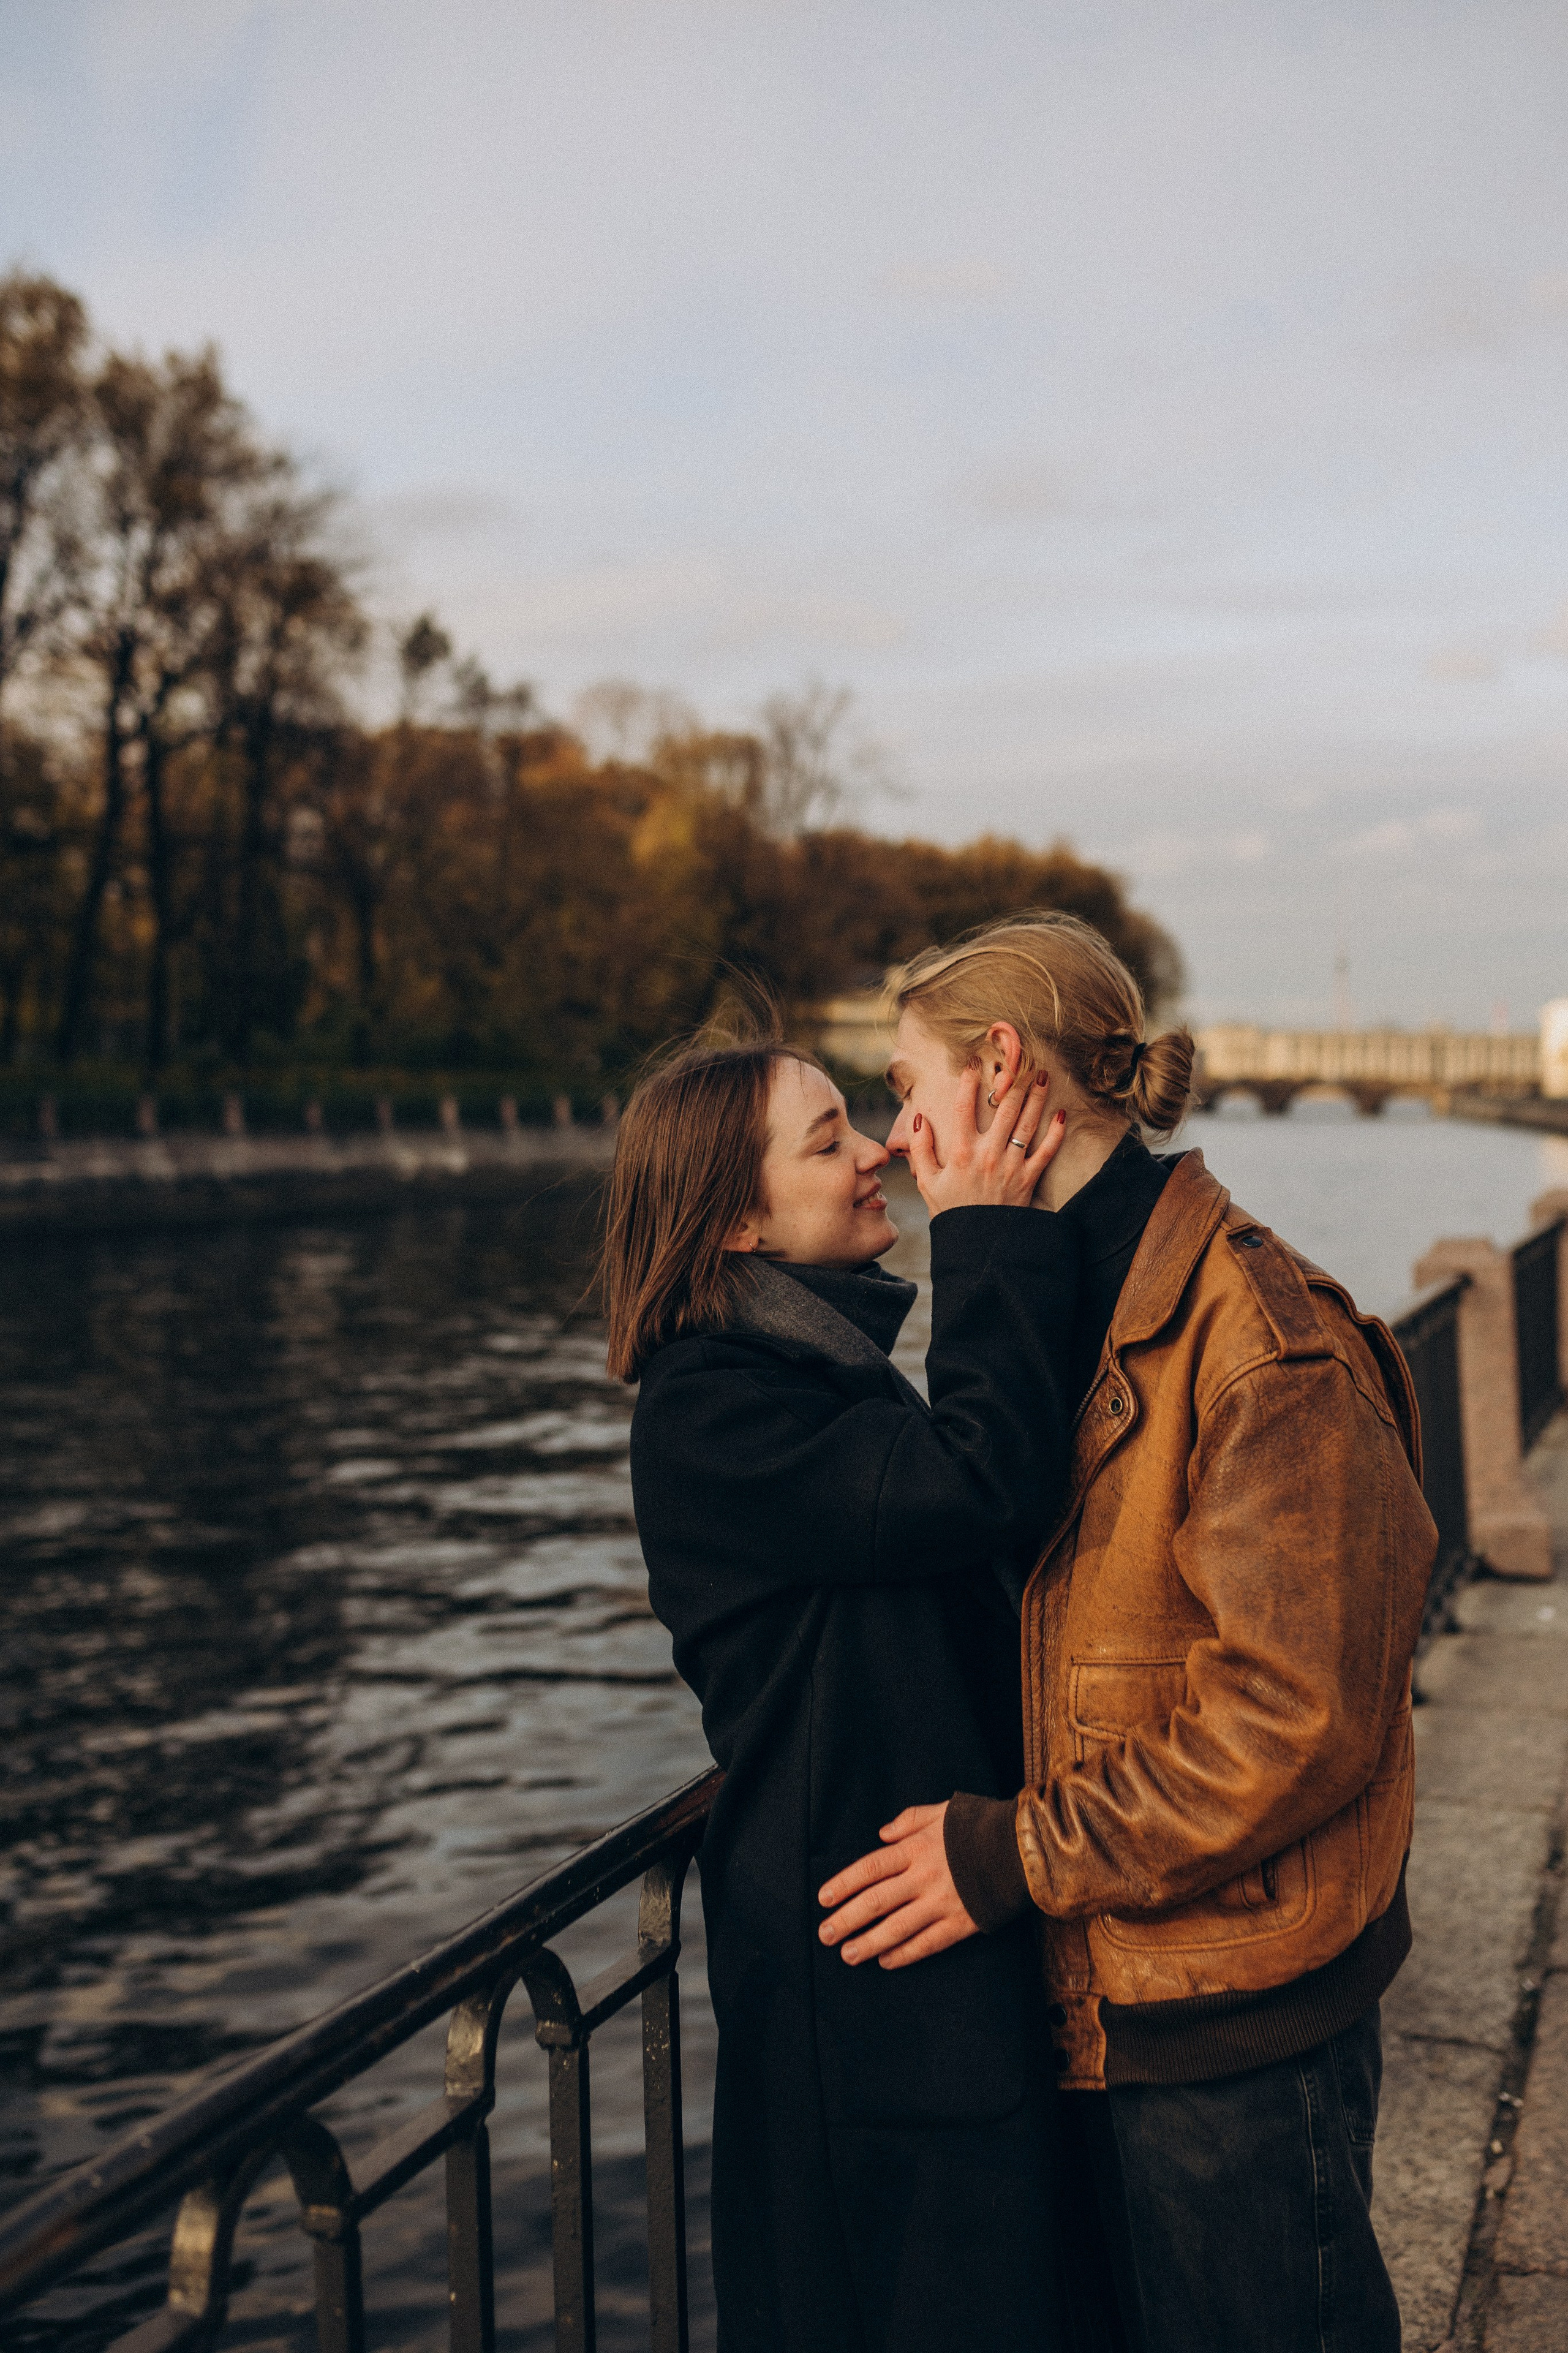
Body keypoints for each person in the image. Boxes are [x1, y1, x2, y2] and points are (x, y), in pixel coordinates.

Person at [819, 912, 1438, 2353]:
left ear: (998, 1066)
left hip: (1228, 2022)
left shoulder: (1263, 1339)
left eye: (908, 1092)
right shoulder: (1067, 1288)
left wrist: (1012, 1854)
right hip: (1124, 1991)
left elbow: (1291, 1718)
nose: (898, 1137)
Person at [602, 1026, 1082, 2353]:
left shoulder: (802, 1373)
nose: (876, 1147)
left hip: (919, 1935)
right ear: (738, 1221)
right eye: (828, 1140)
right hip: (867, 1986)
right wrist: (982, 1229)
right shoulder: (711, 1409)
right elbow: (977, 1479)